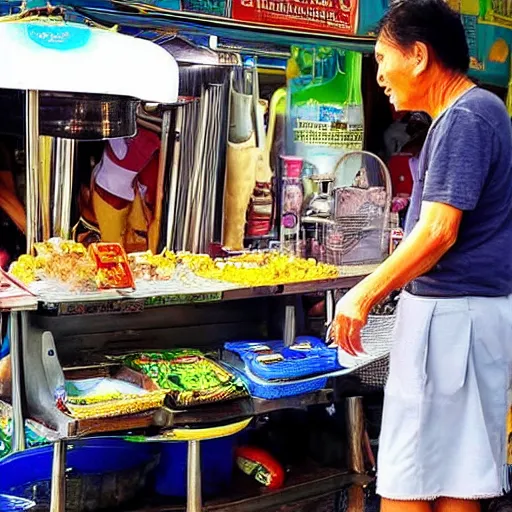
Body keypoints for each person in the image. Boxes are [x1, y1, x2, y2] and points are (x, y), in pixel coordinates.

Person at [331, 1, 512, 511]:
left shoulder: (466, 117)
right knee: (456, 477)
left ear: (418, 56)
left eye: (381, 58)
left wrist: (363, 293)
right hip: (464, 318)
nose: (380, 74)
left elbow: (438, 231)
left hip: (453, 319)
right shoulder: (477, 111)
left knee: (408, 479)